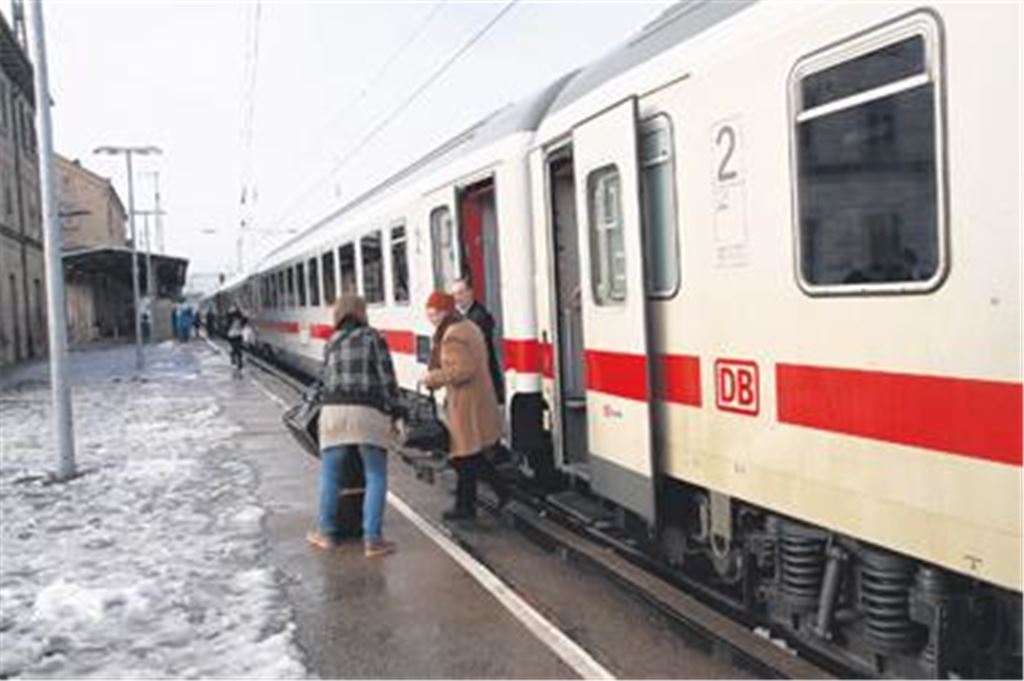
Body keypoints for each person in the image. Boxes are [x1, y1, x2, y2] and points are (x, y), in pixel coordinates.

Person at [310, 294, 403, 556]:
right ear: (362, 313)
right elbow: (387, 380)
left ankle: (326, 533)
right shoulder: (373, 338)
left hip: (333, 412)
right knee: (375, 475)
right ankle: (373, 540)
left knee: (330, 475)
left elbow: (322, 380)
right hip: (367, 411)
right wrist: (397, 413)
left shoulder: (332, 341)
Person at [421, 291, 509, 521]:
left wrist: (433, 378)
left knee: (463, 457)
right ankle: (470, 503)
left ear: (445, 312)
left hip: (465, 403)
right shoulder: (468, 326)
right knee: (468, 456)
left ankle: (475, 502)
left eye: (434, 313)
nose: (431, 318)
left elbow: (462, 370)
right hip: (477, 399)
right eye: (429, 313)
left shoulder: (452, 335)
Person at [451, 277, 504, 404]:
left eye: (460, 293)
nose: (457, 298)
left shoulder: (480, 316)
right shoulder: (455, 316)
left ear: (470, 293)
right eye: (454, 294)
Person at [226, 305, 246, 373]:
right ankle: (236, 363)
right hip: (233, 336)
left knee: (237, 351)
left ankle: (238, 364)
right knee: (236, 350)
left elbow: (244, 321)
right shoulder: (230, 319)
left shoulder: (238, 319)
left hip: (236, 335)